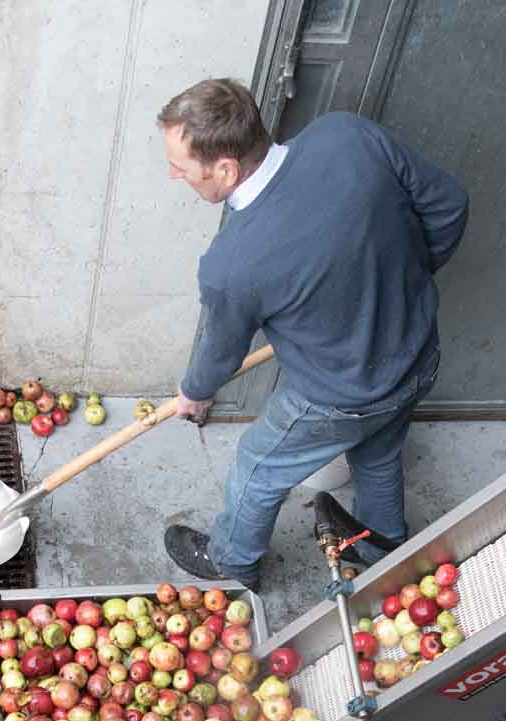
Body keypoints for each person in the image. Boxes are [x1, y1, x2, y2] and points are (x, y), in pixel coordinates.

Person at [155, 78, 470, 588]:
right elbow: (449, 204)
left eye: (182, 168)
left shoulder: (233, 263)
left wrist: (195, 392)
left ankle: (233, 561)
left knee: (259, 465)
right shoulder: (347, 134)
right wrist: (405, 281)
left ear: (226, 169)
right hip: (417, 354)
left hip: (339, 395)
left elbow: (222, 349)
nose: (173, 174)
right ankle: (383, 552)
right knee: (378, 452)